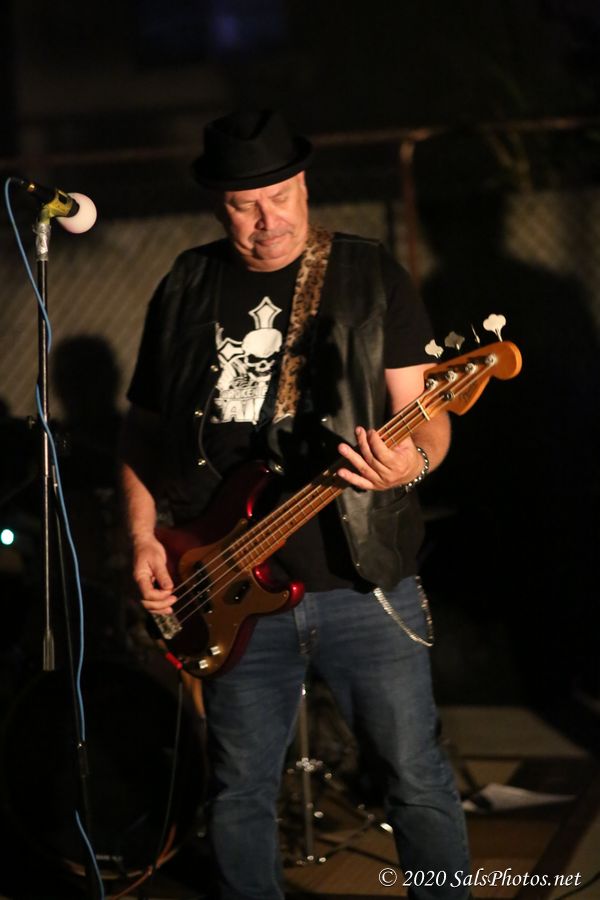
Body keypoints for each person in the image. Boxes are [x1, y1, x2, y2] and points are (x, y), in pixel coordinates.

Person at [119, 109, 471, 900]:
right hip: (225, 584)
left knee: (415, 776)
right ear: (218, 205)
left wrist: (407, 464)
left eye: (279, 197)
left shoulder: (368, 274)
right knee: (239, 790)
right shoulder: (185, 285)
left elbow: (428, 416)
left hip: (361, 580)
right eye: (244, 205)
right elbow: (140, 431)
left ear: (304, 187)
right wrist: (143, 539)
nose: (267, 220)